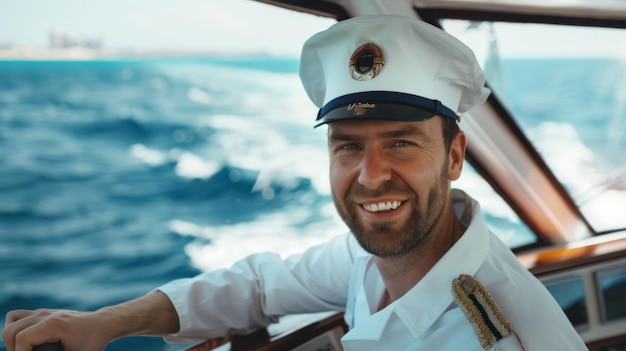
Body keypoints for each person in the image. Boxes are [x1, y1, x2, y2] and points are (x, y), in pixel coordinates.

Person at [3, 14, 586, 351]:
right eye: (348, 146)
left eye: (402, 142)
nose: (370, 175)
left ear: (454, 155)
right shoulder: (372, 257)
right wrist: (106, 322)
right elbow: (259, 286)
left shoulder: (508, 334)